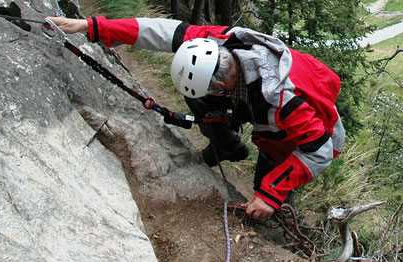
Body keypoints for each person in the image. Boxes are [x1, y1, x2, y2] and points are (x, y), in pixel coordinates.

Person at [48, 15, 344, 219]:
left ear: (222, 86)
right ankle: (226, 146)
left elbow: (319, 152)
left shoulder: (283, 102)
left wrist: (272, 193)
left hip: (307, 137)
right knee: (197, 95)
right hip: (267, 110)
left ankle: (284, 230)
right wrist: (92, 26)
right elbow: (165, 32)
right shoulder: (219, 44)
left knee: (266, 188)